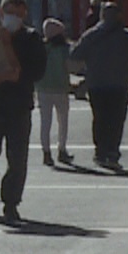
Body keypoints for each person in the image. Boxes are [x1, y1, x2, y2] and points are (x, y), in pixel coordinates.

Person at [0, 0, 47, 226]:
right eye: (10, 13)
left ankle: (11, 202)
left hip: (18, 106)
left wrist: (17, 74)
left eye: (18, 14)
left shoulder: (32, 39)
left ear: (25, 15)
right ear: (0, 13)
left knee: (17, 159)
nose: (13, 18)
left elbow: (38, 71)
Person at [68, 0, 128, 170]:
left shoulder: (91, 35)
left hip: (97, 84)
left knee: (100, 118)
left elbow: (75, 54)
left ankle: (101, 151)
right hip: (120, 85)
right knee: (117, 119)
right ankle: (112, 152)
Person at [37, 18, 74, 166]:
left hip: (43, 88)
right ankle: (62, 149)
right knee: (62, 121)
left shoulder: (40, 48)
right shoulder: (65, 49)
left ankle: (46, 152)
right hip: (61, 88)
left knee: (45, 122)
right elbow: (70, 66)